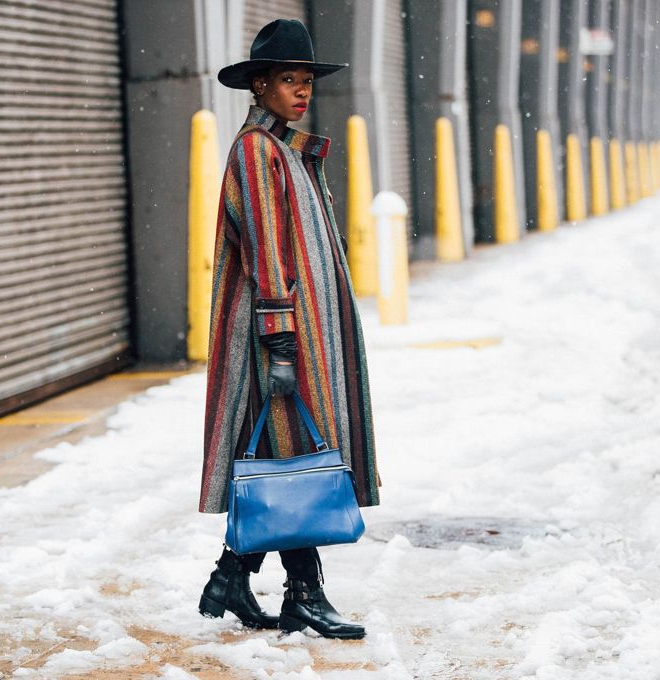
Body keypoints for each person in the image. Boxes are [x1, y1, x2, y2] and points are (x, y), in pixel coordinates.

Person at [197, 19, 380, 640]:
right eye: (287, 81)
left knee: (286, 453)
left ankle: (233, 575)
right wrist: (278, 335)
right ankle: (302, 593)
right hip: (278, 332)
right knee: (293, 454)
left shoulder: (290, 149)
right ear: (260, 85)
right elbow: (269, 249)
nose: (301, 92)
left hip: (303, 330)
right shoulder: (255, 151)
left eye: (305, 81)